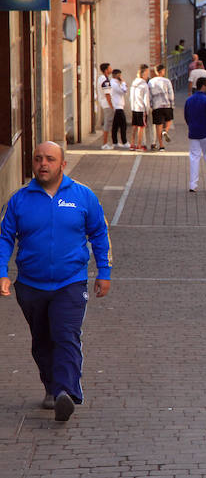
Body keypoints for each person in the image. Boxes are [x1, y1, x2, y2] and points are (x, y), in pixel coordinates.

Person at [0, 141, 111, 422]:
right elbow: (5, 237)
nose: (43, 164)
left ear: (63, 164)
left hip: (70, 282)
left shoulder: (83, 196)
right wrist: (2, 272)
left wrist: (104, 272)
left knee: (66, 335)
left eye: (50, 159)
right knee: (42, 341)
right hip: (31, 285)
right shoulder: (19, 199)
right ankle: (51, 387)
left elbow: (99, 233)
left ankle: (66, 393)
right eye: (38, 158)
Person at [148, 64, 175, 151]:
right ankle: (165, 131)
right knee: (169, 120)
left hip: (156, 106)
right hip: (166, 104)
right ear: (162, 71)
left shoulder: (151, 82)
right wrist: (172, 103)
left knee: (158, 126)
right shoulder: (167, 81)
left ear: (156, 71)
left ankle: (161, 146)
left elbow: (149, 95)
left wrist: (151, 104)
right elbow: (171, 93)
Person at [130, 64, 151, 151]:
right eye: (147, 73)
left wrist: (132, 106)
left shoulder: (134, 84)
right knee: (141, 127)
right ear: (144, 73)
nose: (148, 75)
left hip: (134, 107)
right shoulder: (144, 85)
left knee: (134, 126)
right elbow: (146, 99)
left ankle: (132, 144)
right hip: (141, 108)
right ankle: (139, 145)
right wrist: (147, 109)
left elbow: (131, 97)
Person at [96, 63, 115, 150]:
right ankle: (104, 143)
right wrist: (111, 106)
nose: (111, 69)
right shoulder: (105, 80)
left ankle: (106, 142)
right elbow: (107, 94)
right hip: (107, 104)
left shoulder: (101, 78)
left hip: (104, 103)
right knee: (107, 123)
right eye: (110, 68)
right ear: (106, 70)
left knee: (108, 123)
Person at [110, 69, 129, 148]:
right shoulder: (114, 83)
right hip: (117, 106)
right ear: (116, 75)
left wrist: (122, 84)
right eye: (119, 75)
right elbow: (123, 91)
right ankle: (124, 142)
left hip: (119, 106)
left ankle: (115, 141)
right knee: (123, 125)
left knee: (116, 125)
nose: (121, 76)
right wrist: (123, 83)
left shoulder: (117, 83)